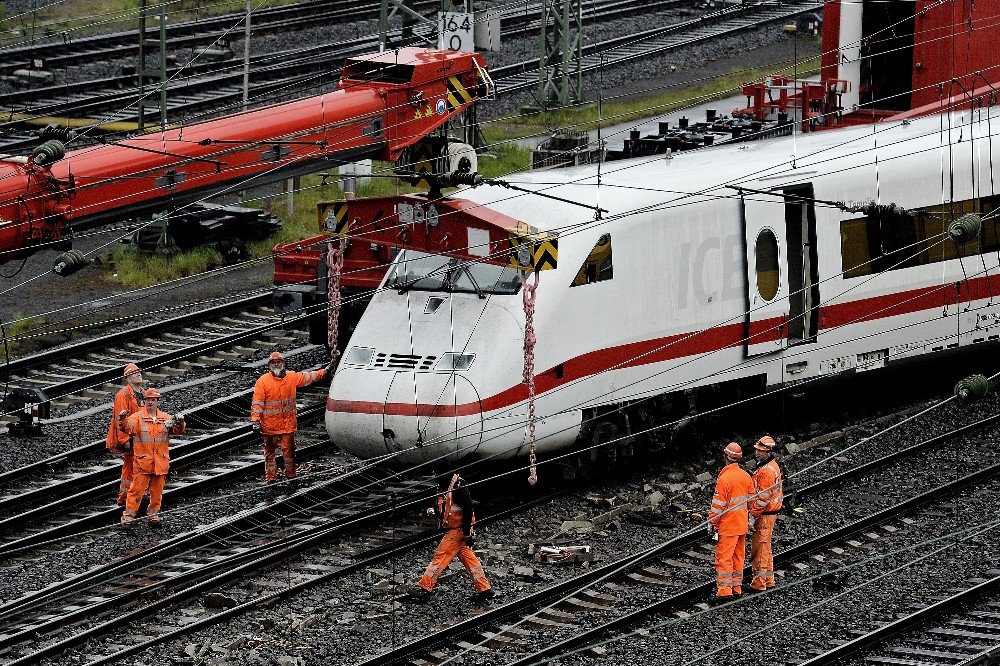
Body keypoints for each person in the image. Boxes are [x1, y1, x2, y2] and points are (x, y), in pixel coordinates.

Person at [250, 351, 333, 483]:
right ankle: (271, 477)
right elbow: (257, 403)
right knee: (270, 452)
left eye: (278, 362)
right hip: (270, 426)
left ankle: (291, 475)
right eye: (274, 363)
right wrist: (255, 420)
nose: (276, 364)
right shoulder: (263, 382)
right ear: (269, 365)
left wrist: (324, 371)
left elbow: (308, 377)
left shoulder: (291, 377)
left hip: (287, 425)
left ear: (282, 363)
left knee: (289, 452)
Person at [410, 473, 494, 604]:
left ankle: (425, 587)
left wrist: (466, 533)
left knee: (441, 556)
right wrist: (434, 510)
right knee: (468, 558)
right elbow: (445, 505)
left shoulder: (459, 487)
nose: (434, 475)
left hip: (458, 530)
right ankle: (484, 589)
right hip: (456, 528)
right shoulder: (445, 484)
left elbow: (468, 510)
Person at [117, 388, 185, 525]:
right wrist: (123, 419)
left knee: (157, 493)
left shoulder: (165, 418)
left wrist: (180, 422)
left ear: (157, 401)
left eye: (153, 400)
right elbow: (127, 428)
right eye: (148, 400)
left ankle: (153, 516)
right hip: (143, 462)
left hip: (160, 462)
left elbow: (178, 431)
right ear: (144, 401)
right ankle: (128, 518)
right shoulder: (137, 417)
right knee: (136, 491)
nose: (150, 402)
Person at [707, 442, 755, 600]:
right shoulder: (745, 476)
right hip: (741, 525)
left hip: (728, 526)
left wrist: (712, 522)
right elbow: (752, 500)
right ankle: (736, 588)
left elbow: (718, 505)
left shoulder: (725, 478)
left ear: (725, 457)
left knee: (724, 558)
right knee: (738, 557)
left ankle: (724, 592)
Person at [749, 435, 784, 592]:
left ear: (768, 452)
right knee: (766, 547)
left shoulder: (767, 471)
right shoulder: (769, 466)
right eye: (757, 450)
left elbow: (762, 498)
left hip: (765, 515)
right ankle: (769, 580)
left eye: (760, 451)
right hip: (769, 513)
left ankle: (759, 584)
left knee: (760, 549)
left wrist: (752, 516)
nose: (757, 453)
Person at [106, 363, 144, 506]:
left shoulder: (144, 393)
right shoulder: (123, 394)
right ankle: (125, 498)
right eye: (134, 373)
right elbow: (119, 418)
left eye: (139, 372)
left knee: (137, 466)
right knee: (132, 467)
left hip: (140, 437)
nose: (138, 374)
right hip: (131, 437)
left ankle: (130, 497)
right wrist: (124, 439)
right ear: (128, 378)